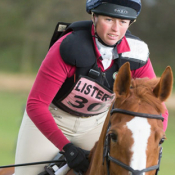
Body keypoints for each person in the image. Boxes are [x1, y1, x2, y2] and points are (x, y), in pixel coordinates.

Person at [15, 0, 169, 175]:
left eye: (123, 22)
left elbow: (159, 110)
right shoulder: (69, 47)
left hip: (95, 125)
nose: (115, 29)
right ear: (94, 17)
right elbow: (36, 104)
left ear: (130, 23)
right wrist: (67, 148)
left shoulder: (137, 55)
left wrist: (152, 138)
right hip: (51, 120)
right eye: (109, 19)